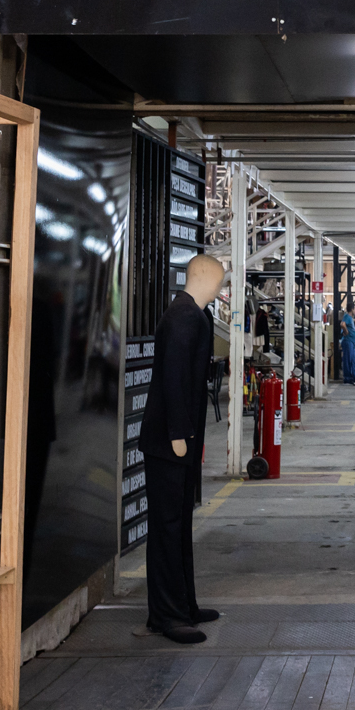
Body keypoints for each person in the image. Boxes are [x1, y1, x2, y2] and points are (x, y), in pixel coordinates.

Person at [134, 253, 227, 645]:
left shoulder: (196, 315)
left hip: (183, 439)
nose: (221, 286)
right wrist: (177, 433)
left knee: (179, 524)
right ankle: (166, 616)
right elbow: (172, 378)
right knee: (167, 526)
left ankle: (184, 606)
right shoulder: (181, 317)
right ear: (202, 276)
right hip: (168, 442)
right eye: (218, 279)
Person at [338, 308, 355, 386]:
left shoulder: (350, 318)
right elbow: (342, 324)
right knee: (348, 360)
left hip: (352, 342)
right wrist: (346, 331)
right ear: (352, 309)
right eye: (354, 309)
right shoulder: (346, 316)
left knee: (354, 360)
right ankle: (347, 378)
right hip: (348, 341)